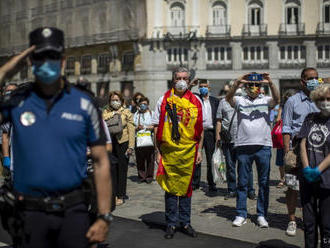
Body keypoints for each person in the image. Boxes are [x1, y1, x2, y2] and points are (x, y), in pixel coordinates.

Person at [0, 27, 112, 247]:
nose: (46, 62)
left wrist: (104, 216)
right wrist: (16, 61)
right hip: (29, 214)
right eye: (40, 57)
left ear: (62, 61)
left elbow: (101, 162)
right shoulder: (17, 101)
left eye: (52, 56)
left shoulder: (84, 104)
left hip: (73, 212)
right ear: (31, 62)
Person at [152, 66, 204, 239]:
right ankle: (171, 223)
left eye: (185, 78)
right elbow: (157, 127)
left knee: (187, 188)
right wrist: (157, 151)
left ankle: (186, 222)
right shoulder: (164, 100)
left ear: (189, 81)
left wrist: (199, 151)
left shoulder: (196, 101)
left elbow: (200, 129)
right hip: (169, 151)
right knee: (171, 188)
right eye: (178, 78)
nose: (181, 81)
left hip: (189, 151)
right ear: (173, 80)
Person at [226, 72, 280, 228]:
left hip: (263, 146)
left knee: (263, 183)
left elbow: (277, 99)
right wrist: (237, 82)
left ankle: (261, 214)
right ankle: (241, 213)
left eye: (257, 85)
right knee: (242, 182)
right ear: (246, 86)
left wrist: (270, 82)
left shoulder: (266, 100)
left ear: (261, 87)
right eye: (251, 85)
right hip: (243, 146)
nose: (254, 88)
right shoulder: (240, 100)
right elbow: (228, 98)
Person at [282, 68, 320, 237]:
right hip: (297, 149)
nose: (314, 81)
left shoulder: (322, 99)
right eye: (310, 78)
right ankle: (291, 220)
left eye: (316, 78)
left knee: (317, 186)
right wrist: (287, 152)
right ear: (302, 81)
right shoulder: (293, 101)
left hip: (318, 149)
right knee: (292, 186)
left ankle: (312, 219)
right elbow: (286, 128)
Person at [299, 83, 330, 248]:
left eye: (328, 99)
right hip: (308, 179)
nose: (325, 102)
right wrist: (306, 168)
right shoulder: (310, 117)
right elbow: (303, 143)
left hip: (327, 179)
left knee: (327, 225)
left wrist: (318, 169)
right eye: (321, 99)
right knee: (309, 224)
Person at [216, 81, 256, 200]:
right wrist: (218, 137)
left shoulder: (246, 101)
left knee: (247, 167)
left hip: (244, 140)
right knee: (230, 167)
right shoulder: (223, 102)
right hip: (229, 140)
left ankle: (250, 190)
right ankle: (232, 190)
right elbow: (219, 120)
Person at [103, 91, 135, 205]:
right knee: (112, 169)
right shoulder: (106, 111)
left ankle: (120, 194)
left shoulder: (126, 112)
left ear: (121, 101)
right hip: (110, 143)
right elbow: (102, 119)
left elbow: (131, 130)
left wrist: (131, 146)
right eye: (113, 100)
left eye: (117, 100)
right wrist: (113, 114)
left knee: (122, 169)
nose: (115, 102)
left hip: (123, 143)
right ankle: (113, 193)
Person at [192, 79, 219, 192]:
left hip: (210, 133)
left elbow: (218, 117)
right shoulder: (195, 99)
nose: (203, 88)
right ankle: (195, 183)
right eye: (201, 86)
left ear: (209, 88)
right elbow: (185, 93)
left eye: (205, 86)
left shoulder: (215, 101)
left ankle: (211, 182)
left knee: (210, 159)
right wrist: (190, 85)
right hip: (198, 132)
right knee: (196, 158)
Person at [274, 89, 296, 189]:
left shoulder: (297, 106)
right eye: (287, 99)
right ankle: (283, 179)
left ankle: (291, 180)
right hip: (282, 137)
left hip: (294, 137)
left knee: (292, 160)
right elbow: (278, 120)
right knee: (281, 160)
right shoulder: (282, 107)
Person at [133, 97, 155, 184]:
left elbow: (154, 125)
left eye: (145, 104)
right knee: (139, 158)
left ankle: (149, 176)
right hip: (139, 139)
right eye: (141, 104)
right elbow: (132, 126)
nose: (143, 105)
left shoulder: (151, 113)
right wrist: (137, 128)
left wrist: (145, 127)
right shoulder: (136, 114)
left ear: (148, 105)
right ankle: (141, 176)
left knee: (150, 158)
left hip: (149, 139)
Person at [1, 83, 18, 181]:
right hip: (14, 161)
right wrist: (6, 157)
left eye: (13, 91)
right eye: (8, 91)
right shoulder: (6, 113)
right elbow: (5, 137)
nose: (10, 93)